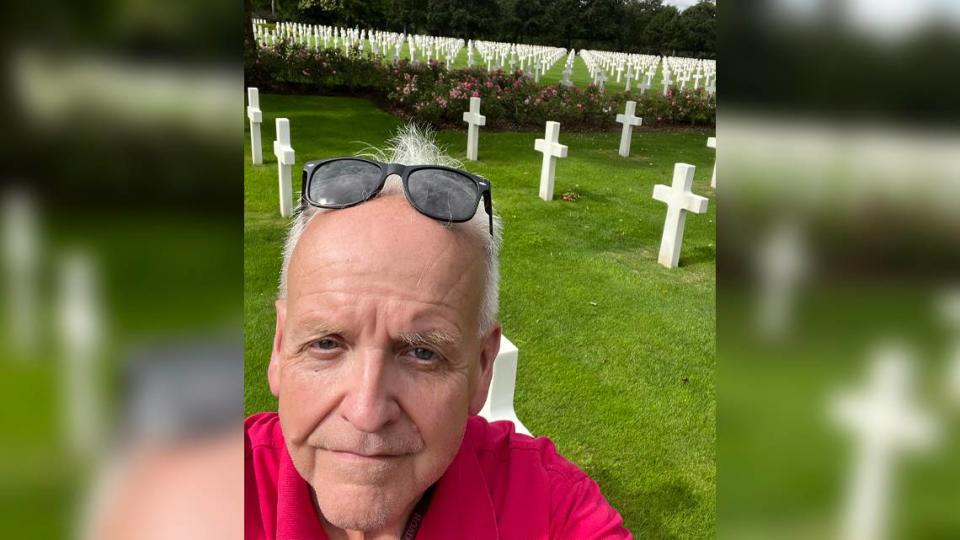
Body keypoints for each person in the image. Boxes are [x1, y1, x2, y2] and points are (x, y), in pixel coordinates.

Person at [245, 126, 631, 539]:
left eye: (422, 353)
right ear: (280, 347)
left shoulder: (553, 510)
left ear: (483, 369)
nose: (367, 413)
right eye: (326, 344)